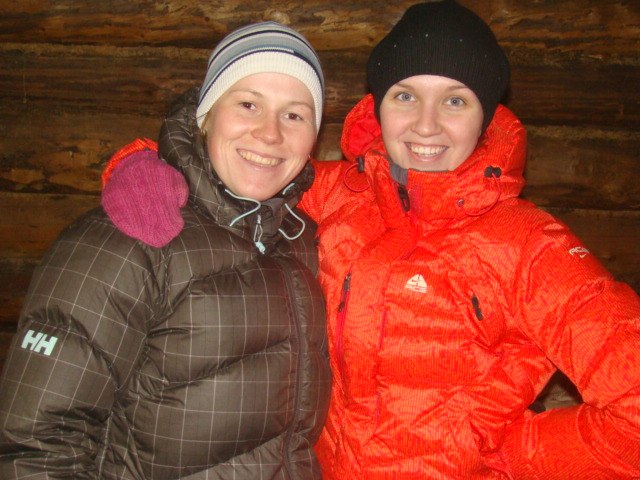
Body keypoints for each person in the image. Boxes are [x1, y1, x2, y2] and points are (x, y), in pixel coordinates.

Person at [96, 1, 640, 478]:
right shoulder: (338, 194)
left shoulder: (528, 246)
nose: (425, 126)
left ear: (487, 116)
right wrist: (143, 163)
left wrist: (504, 452)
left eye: (455, 101)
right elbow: (238, 168)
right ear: (377, 107)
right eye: (405, 96)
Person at [0, 21, 332, 479]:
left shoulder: (299, 239)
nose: (270, 133)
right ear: (206, 114)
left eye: (294, 115)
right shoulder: (128, 237)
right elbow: (36, 446)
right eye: (248, 104)